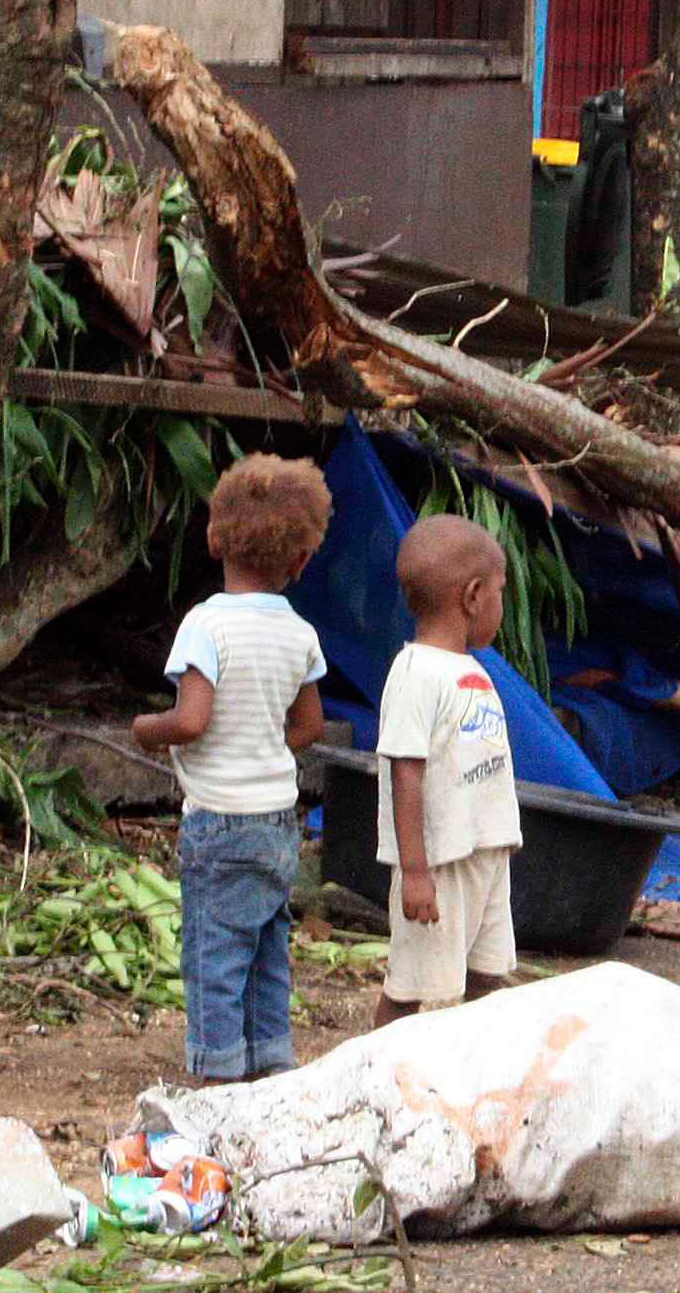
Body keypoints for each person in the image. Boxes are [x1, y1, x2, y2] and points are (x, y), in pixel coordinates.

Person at [133, 454, 332, 1082]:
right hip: (278, 823)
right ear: (301, 560)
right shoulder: (299, 632)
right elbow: (309, 727)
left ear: (214, 538)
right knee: (268, 951)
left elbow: (191, 720)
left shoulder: (204, 624)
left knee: (213, 956)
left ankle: (216, 1076)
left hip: (219, 824)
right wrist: (262, 749)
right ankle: (271, 1065)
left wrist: (148, 732)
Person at [372, 514, 523, 1026]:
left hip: (485, 851)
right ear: (474, 596)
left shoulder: (471, 669)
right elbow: (405, 772)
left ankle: (479, 1083)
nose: (502, 607)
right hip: (439, 864)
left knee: (487, 976)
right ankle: (375, 1074)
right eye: (501, 593)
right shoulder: (415, 673)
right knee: (410, 985)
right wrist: (415, 871)